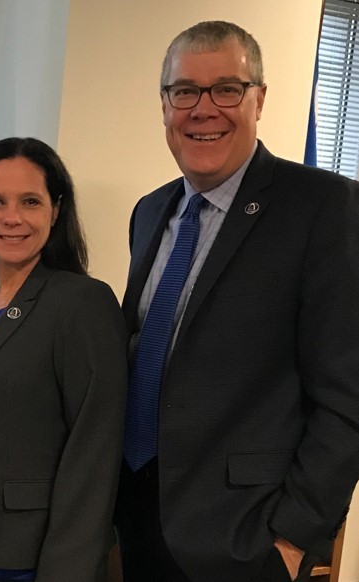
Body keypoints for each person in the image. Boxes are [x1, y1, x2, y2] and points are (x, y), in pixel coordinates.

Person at [117, 21, 359, 582]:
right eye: (184, 91)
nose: (204, 109)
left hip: (244, 539)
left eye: (226, 88)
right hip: (135, 515)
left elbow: (347, 398)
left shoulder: (324, 208)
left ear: (259, 99)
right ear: (164, 105)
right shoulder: (149, 212)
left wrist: (294, 538)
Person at [0, 137, 127, 582]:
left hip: (31, 560)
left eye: (30, 201)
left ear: (56, 210)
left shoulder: (82, 303)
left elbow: (94, 456)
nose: (12, 217)